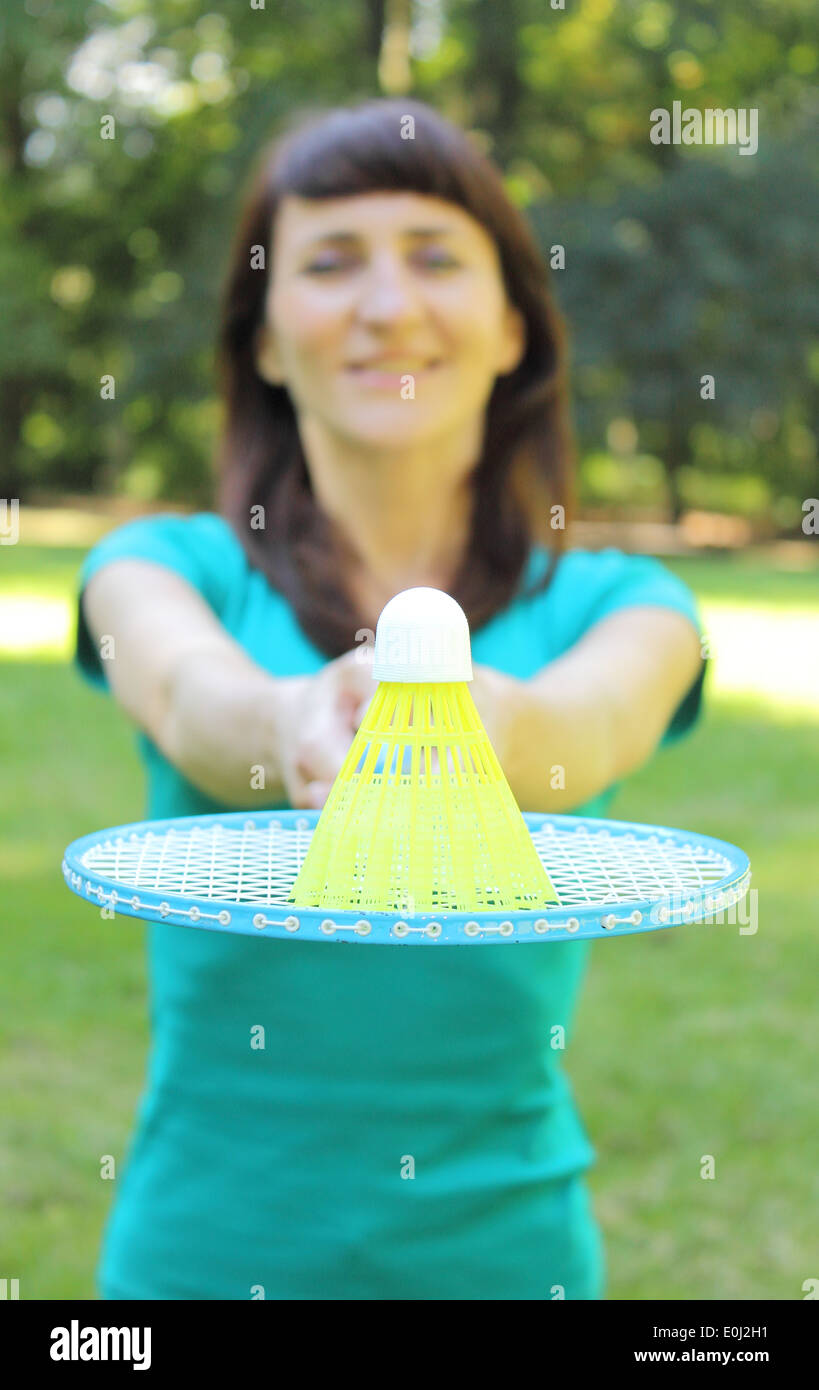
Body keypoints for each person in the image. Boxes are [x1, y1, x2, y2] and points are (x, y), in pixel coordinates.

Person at [75, 99, 705, 1300]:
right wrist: (292, 727)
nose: (384, 306)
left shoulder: (629, 602)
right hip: (200, 1267)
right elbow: (188, 692)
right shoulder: (162, 566)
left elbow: (591, 725)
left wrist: (486, 727)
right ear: (263, 340)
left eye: (433, 257)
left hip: (512, 1266)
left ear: (514, 326)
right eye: (327, 262)